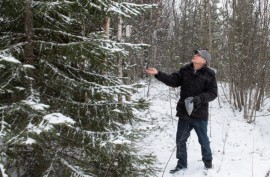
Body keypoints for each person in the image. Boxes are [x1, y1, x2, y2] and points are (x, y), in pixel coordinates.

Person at [145, 49, 217, 174]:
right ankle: (181, 164)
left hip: (200, 115)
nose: (195, 55)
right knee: (180, 140)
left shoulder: (209, 75)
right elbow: (173, 80)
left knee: (203, 140)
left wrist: (199, 98)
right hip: (184, 113)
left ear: (204, 61)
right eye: (195, 53)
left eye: (198, 55)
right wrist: (158, 73)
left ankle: (208, 161)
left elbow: (212, 94)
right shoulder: (185, 70)